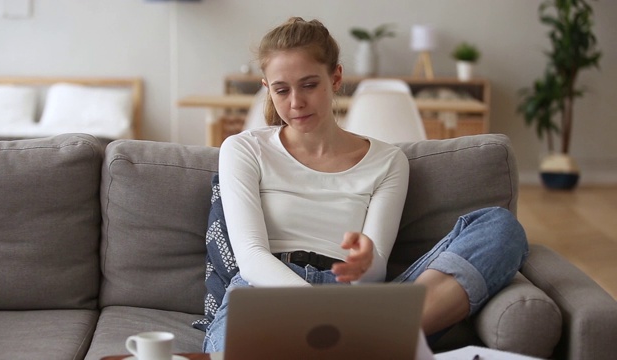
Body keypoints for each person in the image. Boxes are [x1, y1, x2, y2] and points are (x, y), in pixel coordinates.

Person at [202, 17, 528, 356]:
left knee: (499, 227)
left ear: (336, 77)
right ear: (267, 88)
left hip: (354, 298)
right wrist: (318, 313)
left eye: (309, 85)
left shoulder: (388, 161)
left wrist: (366, 261)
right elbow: (252, 257)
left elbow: (374, 273)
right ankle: (364, 341)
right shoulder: (244, 149)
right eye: (282, 90)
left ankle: (355, 337)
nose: (296, 102)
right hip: (266, 293)